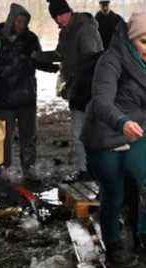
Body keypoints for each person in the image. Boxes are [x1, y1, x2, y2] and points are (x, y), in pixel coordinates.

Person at [81, 13, 146, 266]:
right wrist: (122, 122)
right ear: (131, 39)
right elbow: (101, 102)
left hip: (138, 132)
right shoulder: (111, 59)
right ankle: (115, 245)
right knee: (114, 192)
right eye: (144, 42)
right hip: (106, 132)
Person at [0, 3, 58, 182]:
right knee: (2, 138)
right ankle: (2, 170)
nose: (21, 25)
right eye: (18, 21)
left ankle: (28, 167)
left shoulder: (30, 39)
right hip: (3, 99)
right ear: (11, 20)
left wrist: (51, 66)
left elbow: (37, 59)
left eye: (24, 22)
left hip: (27, 97)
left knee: (29, 137)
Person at [46, 0, 103, 182]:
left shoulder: (85, 29)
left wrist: (77, 78)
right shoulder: (66, 32)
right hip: (76, 90)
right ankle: (84, 170)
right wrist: (38, 57)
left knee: (90, 134)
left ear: (66, 13)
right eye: (55, 18)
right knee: (78, 134)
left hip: (89, 91)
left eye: (59, 17)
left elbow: (93, 60)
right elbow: (60, 54)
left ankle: (94, 170)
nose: (57, 21)